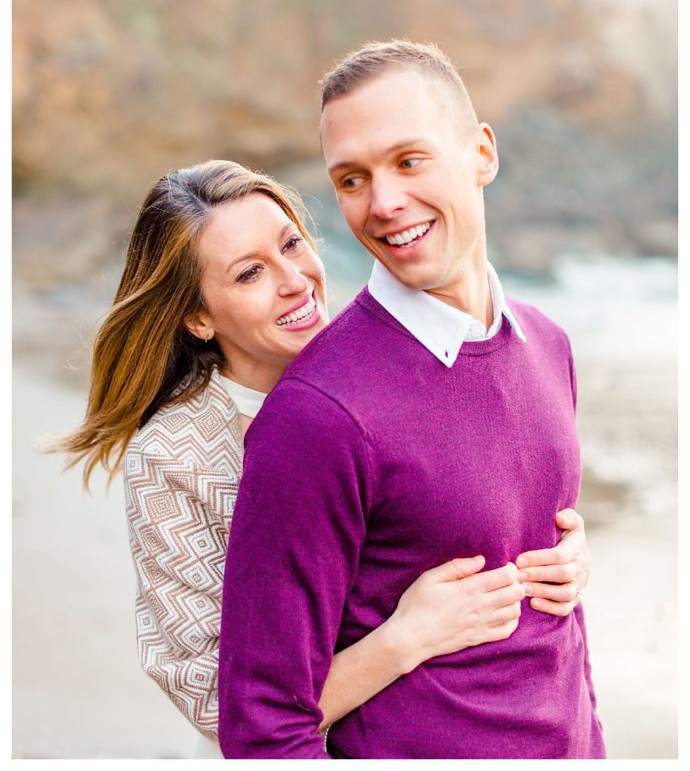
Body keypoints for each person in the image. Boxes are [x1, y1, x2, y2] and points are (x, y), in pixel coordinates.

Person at [50, 158, 591, 757]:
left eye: (292, 244)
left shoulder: (394, 360)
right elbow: (216, 703)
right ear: (197, 316)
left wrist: (560, 556)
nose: (295, 280)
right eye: (250, 274)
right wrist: (405, 639)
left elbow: (464, 515)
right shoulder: (175, 454)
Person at [218, 40, 606, 759]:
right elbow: (263, 724)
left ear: (482, 153)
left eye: (409, 160)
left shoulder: (549, 345)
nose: (384, 202)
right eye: (353, 178)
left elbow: (554, 634)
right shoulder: (317, 414)